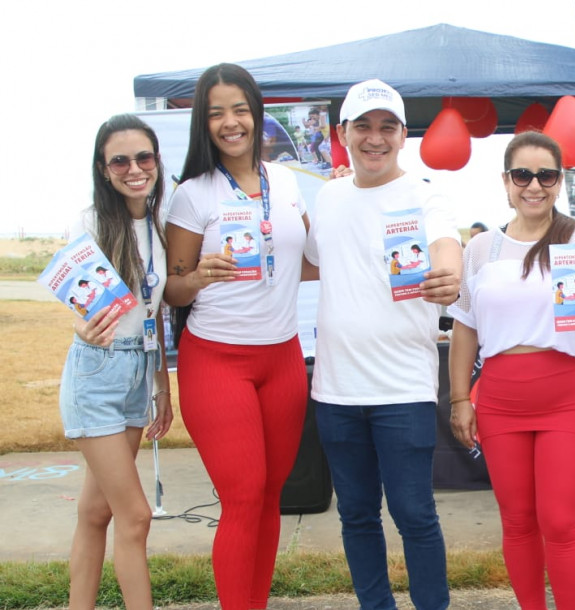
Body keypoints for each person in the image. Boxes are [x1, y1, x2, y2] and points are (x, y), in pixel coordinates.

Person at [301, 78, 460, 610]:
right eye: (363, 127)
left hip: (403, 390)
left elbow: (445, 250)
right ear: (342, 134)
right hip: (336, 391)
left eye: (386, 127)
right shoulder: (327, 196)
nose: (375, 138)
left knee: (415, 515)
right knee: (357, 515)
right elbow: (311, 261)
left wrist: (448, 274)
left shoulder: (424, 193)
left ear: (403, 135)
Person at [448, 131, 575, 610]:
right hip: (500, 399)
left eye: (546, 175)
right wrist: (461, 399)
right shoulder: (481, 249)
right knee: (518, 520)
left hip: (565, 396)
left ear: (559, 182)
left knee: (560, 522)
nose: (534, 185)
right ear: (506, 181)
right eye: (523, 174)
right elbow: (464, 329)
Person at [164, 63, 310, 610]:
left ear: (257, 114)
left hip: (284, 358)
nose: (230, 122)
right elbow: (174, 289)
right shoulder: (192, 194)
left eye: (239, 109)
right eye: (216, 112)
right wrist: (200, 275)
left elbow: (306, 259)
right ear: (204, 123)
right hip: (218, 361)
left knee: (271, 497)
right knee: (243, 498)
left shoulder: (288, 181)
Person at [61, 113, 173, 610]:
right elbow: (80, 303)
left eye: (143, 157)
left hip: (139, 373)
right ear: (104, 169)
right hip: (99, 373)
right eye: (120, 160)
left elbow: (157, 306)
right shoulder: (89, 223)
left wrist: (162, 383)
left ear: (156, 161)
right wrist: (81, 324)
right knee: (136, 517)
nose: (134, 168)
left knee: (96, 513)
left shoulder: (160, 222)